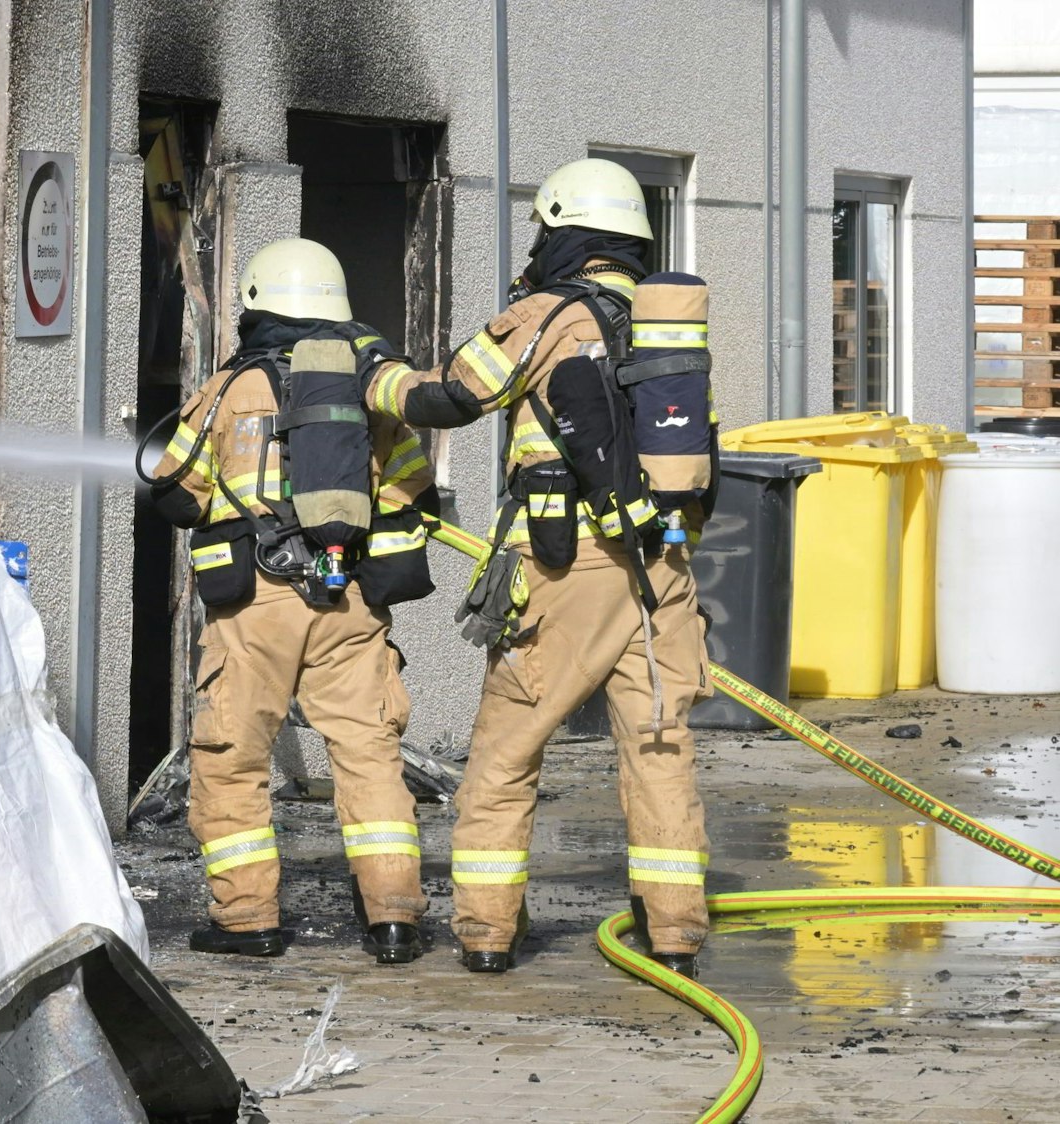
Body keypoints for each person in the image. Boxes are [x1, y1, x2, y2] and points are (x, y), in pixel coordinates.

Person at [362, 158, 716, 979]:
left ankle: (486, 931)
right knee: (658, 747)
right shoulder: (662, 321)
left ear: (561, 231)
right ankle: (673, 932)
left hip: (568, 569)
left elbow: (450, 397)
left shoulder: (547, 313)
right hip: (660, 565)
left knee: (506, 750)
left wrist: (374, 381)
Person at [142, 238, 440, 964]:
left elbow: (178, 491)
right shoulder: (365, 389)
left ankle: (246, 921)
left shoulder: (231, 389)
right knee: (368, 754)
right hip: (350, 605)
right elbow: (413, 489)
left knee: (231, 758)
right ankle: (394, 918)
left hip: (256, 606)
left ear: (255, 303)